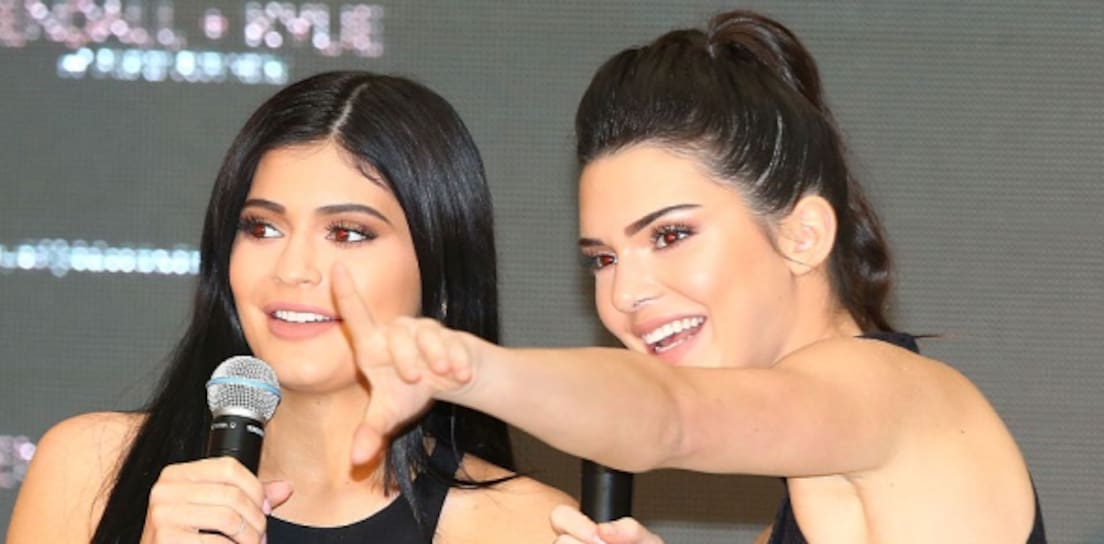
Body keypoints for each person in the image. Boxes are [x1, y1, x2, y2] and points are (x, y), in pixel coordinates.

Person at [331, 10, 1046, 544]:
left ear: (802, 234)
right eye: (603, 259)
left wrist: (467, 370)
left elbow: (670, 416)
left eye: (670, 235)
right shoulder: (818, 484)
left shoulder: (894, 395)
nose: (624, 294)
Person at [5, 71, 573, 544]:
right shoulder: (87, 470)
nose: (293, 268)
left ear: (441, 273)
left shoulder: (525, 527)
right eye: (262, 227)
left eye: (347, 233)